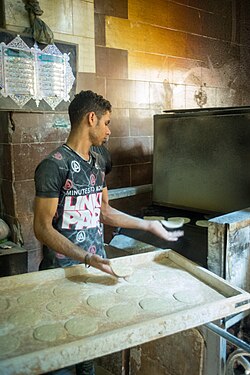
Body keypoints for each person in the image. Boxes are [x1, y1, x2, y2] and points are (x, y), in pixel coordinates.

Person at [33, 90, 183, 375]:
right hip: (62, 271)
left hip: (96, 269)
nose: (109, 130)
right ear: (91, 118)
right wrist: (85, 258)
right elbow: (41, 227)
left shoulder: (99, 160)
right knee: (62, 349)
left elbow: (104, 212)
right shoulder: (54, 166)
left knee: (90, 346)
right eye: (107, 122)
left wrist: (147, 225)